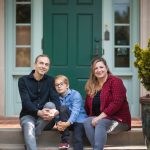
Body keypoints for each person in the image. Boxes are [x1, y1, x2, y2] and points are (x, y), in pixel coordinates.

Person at [83, 57, 131, 150]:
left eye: (101, 67)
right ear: (93, 71)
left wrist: (99, 117)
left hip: (119, 120)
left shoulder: (116, 81)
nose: (99, 70)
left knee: (100, 122)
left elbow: (116, 103)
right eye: (96, 68)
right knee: (87, 121)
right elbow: (87, 108)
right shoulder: (91, 85)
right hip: (101, 119)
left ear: (106, 68)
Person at [18, 54, 60, 150]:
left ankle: (31, 139)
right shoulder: (23, 81)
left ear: (48, 67)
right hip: (28, 116)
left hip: (46, 120)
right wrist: (39, 112)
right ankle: (31, 142)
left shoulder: (50, 80)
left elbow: (56, 101)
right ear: (35, 64)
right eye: (41, 63)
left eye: (46, 64)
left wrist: (55, 112)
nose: (43, 66)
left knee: (50, 105)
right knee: (29, 126)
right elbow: (26, 102)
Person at [54, 75, 87, 150]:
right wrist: (58, 122)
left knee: (77, 139)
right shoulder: (56, 97)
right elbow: (56, 112)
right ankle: (64, 140)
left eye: (61, 84)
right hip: (65, 122)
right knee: (62, 108)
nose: (59, 86)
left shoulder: (75, 94)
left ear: (67, 85)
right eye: (57, 85)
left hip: (79, 120)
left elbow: (75, 112)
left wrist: (67, 123)